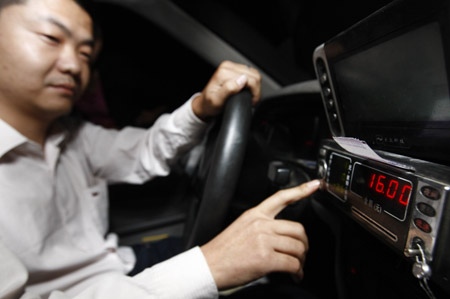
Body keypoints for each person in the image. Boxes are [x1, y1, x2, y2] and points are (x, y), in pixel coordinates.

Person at [0, 0, 321, 298]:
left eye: (85, 54)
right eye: (51, 38)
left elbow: (144, 152)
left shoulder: (73, 135)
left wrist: (200, 107)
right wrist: (209, 267)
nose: (74, 65)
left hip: (120, 268)